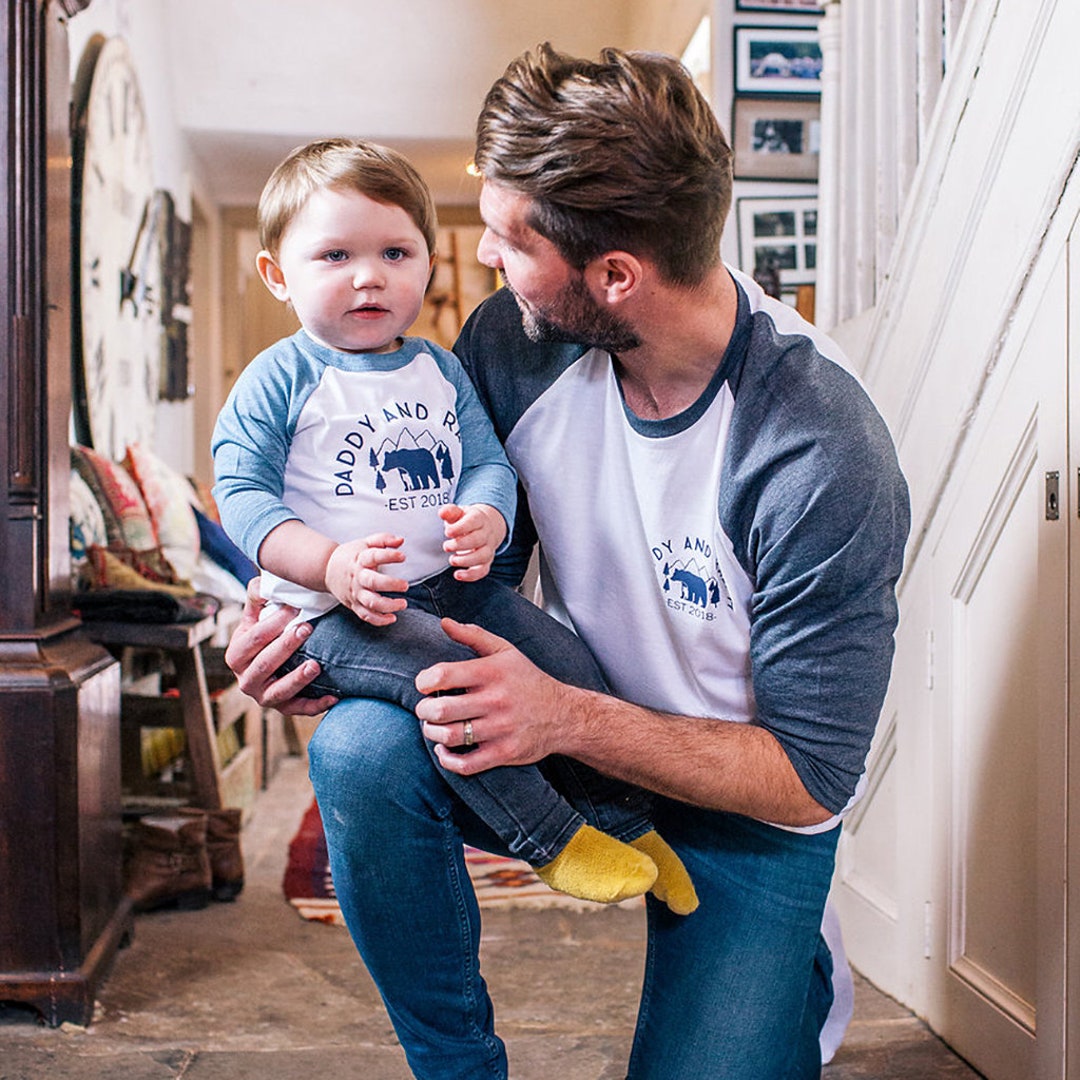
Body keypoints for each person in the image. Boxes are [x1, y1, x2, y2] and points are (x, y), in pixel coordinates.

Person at [225, 46, 910, 1080]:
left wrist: (562, 713)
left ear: (616, 276)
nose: (486, 262)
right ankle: (456, 1063)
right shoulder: (516, 340)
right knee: (360, 750)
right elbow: (447, 563)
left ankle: (787, 969)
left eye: (509, 239)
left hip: (739, 796)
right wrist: (300, 621)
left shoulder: (814, 449)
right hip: (553, 727)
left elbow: (808, 781)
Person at [211, 137, 697, 910]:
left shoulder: (439, 367)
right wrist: (329, 564)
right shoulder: (281, 377)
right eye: (334, 255)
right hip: (338, 616)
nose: (370, 276)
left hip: (448, 587)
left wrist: (487, 517)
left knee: (554, 653)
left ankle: (626, 823)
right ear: (278, 274)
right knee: (458, 687)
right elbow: (241, 496)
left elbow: (487, 464)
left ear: (428, 265)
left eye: (396, 253)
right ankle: (553, 840)